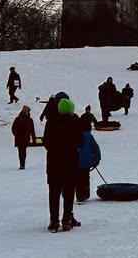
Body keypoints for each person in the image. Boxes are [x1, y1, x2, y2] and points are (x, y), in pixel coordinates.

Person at [43, 98, 82, 232]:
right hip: (70, 163)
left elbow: (46, 142)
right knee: (69, 193)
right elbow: (80, 141)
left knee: (54, 194)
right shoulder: (75, 122)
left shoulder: (51, 122)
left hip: (54, 163)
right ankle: (66, 221)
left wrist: (54, 150)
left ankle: (54, 222)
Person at [76, 120, 100, 203]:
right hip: (86, 163)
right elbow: (96, 149)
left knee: (78, 179)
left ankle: (80, 195)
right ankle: (85, 194)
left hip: (76, 163)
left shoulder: (75, 135)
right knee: (85, 177)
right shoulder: (89, 136)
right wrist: (97, 160)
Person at [12, 105, 36, 170]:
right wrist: (34, 139)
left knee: (21, 151)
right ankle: (22, 164)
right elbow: (32, 131)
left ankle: (22, 164)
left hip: (21, 138)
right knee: (22, 151)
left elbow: (13, 129)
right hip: (23, 138)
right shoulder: (27, 120)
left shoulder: (19, 119)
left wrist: (16, 134)